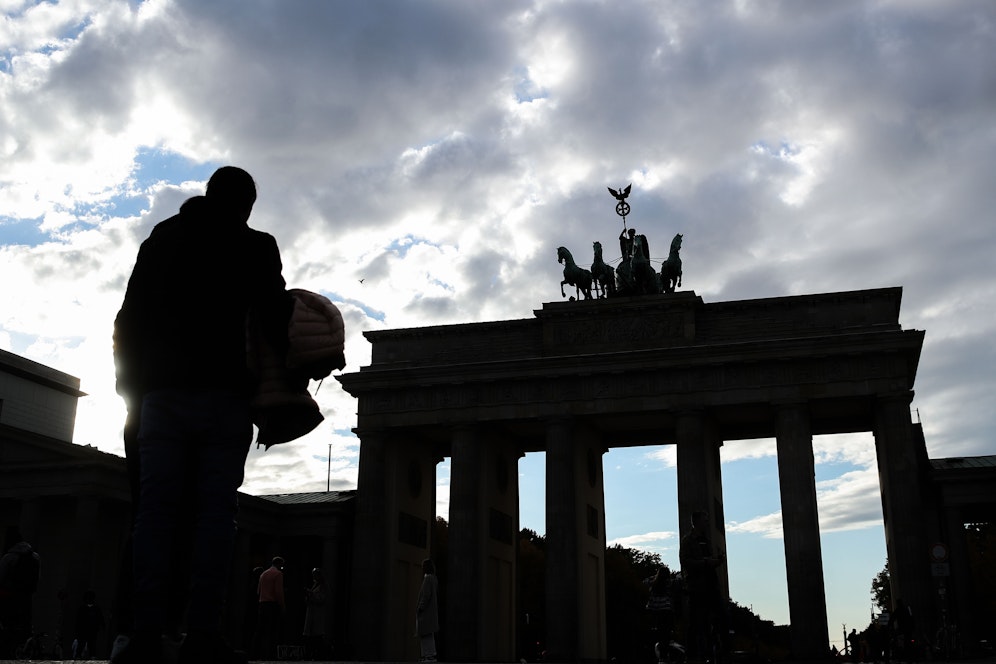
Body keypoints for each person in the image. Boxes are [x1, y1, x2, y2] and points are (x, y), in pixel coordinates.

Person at [111, 166, 292, 664]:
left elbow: (128, 317)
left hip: (161, 396)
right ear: (247, 205)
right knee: (216, 516)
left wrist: (131, 390)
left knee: (154, 513)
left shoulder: (164, 238)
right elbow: (275, 320)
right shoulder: (257, 246)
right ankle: (202, 634)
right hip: (226, 396)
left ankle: (143, 632)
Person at [679, 510, 726, 664]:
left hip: (711, 585)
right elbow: (686, 562)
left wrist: (716, 561)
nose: (707, 522)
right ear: (697, 521)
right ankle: (692, 656)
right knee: (695, 623)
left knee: (718, 620)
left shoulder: (706, 540)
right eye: (705, 520)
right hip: (697, 588)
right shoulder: (688, 541)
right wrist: (706, 562)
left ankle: (714, 653)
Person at [0, 530, 40, 658]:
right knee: (23, 629)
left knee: (7, 628)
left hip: (9, 598)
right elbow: (37, 579)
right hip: (26, 598)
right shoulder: (35, 557)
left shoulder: (9, 557)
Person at [256, 556, 286, 660]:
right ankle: (270, 654)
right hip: (272, 605)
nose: (282, 567)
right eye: (282, 565)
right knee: (272, 630)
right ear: (279, 564)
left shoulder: (263, 574)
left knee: (261, 629)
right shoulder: (278, 574)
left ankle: (258, 653)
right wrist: (282, 606)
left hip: (262, 603)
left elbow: (258, 591)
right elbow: (278, 592)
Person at [415, 558, 439, 663]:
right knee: (428, 634)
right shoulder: (434, 579)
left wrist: (420, 607)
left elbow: (426, 595)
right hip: (431, 612)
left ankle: (428, 655)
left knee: (425, 634)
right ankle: (429, 655)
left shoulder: (427, 579)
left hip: (426, 612)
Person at [302, 567, 329, 658]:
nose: (314, 576)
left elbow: (322, 599)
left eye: (315, 575)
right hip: (311, 612)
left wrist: (311, 594)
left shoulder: (323, 586)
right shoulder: (315, 585)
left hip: (317, 613)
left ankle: (320, 654)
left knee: (317, 635)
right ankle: (311, 654)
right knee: (311, 635)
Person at [73, 589, 105, 658]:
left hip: (91, 632)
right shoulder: (83, 608)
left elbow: (100, 619)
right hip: (84, 632)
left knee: (91, 647)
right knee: (82, 647)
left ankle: (88, 657)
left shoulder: (95, 609)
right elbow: (78, 621)